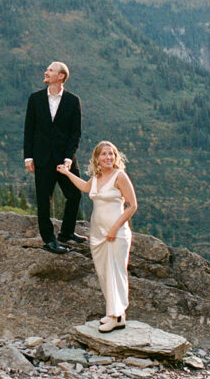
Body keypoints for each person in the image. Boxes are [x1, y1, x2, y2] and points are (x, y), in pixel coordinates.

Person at [57, 140, 137, 332]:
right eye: (104, 154)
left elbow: (132, 205)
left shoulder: (120, 176)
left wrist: (114, 229)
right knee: (103, 274)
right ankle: (115, 314)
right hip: (97, 233)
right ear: (97, 159)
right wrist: (67, 173)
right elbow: (85, 187)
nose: (108, 157)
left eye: (111, 154)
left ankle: (116, 315)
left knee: (115, 273)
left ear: (116, 157)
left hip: (116, 233)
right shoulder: (97, 177)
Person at [24, 61, 86, 254]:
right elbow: (29, 130)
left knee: (75, 194)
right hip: (42, 158)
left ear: (60, 76)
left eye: (50, 70)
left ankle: (66, 233)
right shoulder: (34, 99)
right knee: (43, 200)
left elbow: (75, 133)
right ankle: (49, 241)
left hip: (65, 160)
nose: (46, 72)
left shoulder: (73, 100)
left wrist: (69, 157)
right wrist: (28, 157)